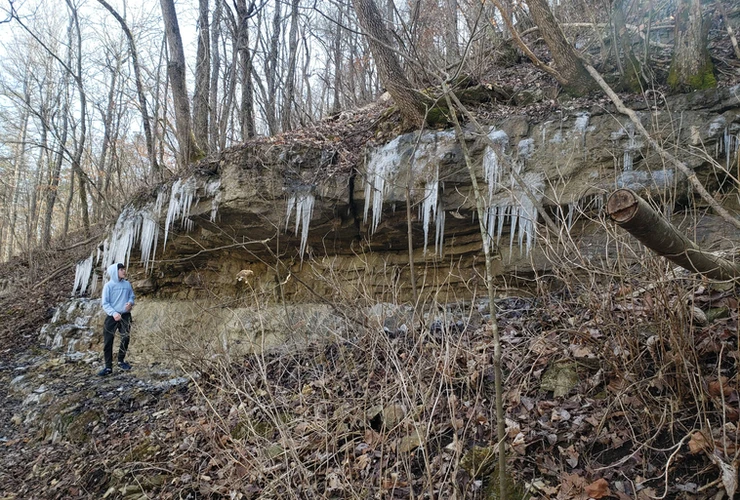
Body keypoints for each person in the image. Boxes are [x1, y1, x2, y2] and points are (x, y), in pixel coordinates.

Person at [98, 263, 135, 376]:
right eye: (121, 270)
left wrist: (130, 303)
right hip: (112, 317)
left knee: (126, 337)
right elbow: (105, 303)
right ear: (115, 271)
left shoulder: (127, 284)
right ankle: (108, 367)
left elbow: (131, 296)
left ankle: (120, 361)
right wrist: (113, 313)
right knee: (108, 341)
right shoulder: (108, 286)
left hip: (125, 316)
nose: (124, 271)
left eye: (124, 269)